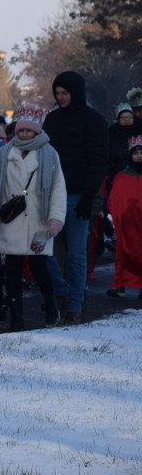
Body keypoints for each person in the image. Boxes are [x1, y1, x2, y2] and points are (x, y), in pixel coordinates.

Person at [0, 106, 66, 330]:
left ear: (37, 131)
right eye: (21, 130)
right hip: (12, 221)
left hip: (39, 220)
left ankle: (51, 306)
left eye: (29, 130)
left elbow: (58, 188)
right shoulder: (4, 154)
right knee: (12, 272)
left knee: (39, 268)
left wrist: (56, 218)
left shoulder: (50, 154)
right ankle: (17, 318)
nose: (24, 134)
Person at [42, 71, 108, 324]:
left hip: (79, 194)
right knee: (43, 249)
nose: (60, 97)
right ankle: (61, 291)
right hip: (51, 194)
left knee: (77, 254)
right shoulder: (52, 119)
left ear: (76, 93)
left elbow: (98, 160)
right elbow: (44, 156)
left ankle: (74, 307)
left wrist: (89, 195)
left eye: (65, 93)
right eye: (57, 93)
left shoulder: (93, 120)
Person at [106, 135, 142, 299]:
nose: (139, 156)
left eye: (141, 153)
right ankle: (119, 284)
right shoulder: (121, 177)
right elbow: (115, 199)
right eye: (135, 153)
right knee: (123, 252)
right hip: (127, 223)